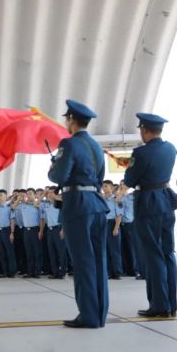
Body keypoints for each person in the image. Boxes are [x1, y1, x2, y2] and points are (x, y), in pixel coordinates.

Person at [48, 99, 109, 328]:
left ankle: (89, 316)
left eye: (66, 118)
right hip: (97, 204)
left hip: (78, 207)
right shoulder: (95, 146)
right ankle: (99, 313)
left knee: (83, 263)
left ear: (72, 119)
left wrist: (54, 165)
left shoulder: (69, 143)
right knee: (98, 262)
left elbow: (58, 177)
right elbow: (100, 177)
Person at [124, 113, 177, 317]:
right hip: (166, 199)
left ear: (145, 130)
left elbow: (130, 179)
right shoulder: (171, 148)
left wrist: (131, 168)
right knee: (168, 253)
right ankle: (170, 303)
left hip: (148, 202)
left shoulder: (140, 152)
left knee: (153, 254)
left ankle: (159, 305)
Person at [13, 188, 42, 278]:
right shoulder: (22, 205)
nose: (28, 195)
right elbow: (13, 207)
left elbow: (42, 219)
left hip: (35, 230)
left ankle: (37, 272)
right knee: (28, 252)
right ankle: (30, 272)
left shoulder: (37, 205)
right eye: (27, 194)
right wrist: (18, 199)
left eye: (30, 194)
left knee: (37, 252)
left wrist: (41, 231)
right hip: (26, 231)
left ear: (34, 195)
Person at [116, 181, 142, 279]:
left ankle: (136, 269)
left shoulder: (133, 196)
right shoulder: (120, 197)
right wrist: (121, 191)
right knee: (124, 248)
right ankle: (128, 269)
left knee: (133, 247)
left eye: (124, 184)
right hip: (121, 224)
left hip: (131, 223)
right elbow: (117, 201)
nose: (122, 186)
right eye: (121, 184)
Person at [41, 187, 67, 279]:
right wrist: (44, 193)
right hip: (50, 230)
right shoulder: (46, 205)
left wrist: (63, 230)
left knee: (61, 251)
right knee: (52, 252)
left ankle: (62, 272)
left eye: (52, 193)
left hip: (58, 229)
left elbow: (65, 217)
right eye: (49, 193)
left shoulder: (60, 203)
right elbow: (37, 204)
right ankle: (54, 272)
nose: (50, 194)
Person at [102, 180, 124, 280]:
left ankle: (117, 272)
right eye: (103, 186)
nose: (104, 188)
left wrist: (116, 227)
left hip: (112, 224)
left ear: (111, 187)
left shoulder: (116, 199)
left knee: (115, 249)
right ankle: (108, 272)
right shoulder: (101, 199)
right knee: (105, 249)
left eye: (106, 186)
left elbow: (119, 215)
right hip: (103, 224)